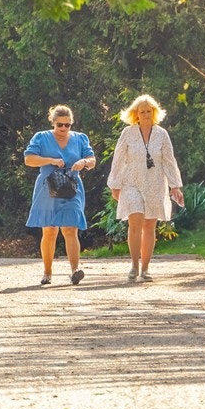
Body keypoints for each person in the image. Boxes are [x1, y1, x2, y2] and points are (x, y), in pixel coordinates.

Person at [106, 94, 184, 283]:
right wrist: (115, 185)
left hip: (155, 183)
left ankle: (146, 269)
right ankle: (134, 265)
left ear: (154, 112)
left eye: (149, 111)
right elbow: (118, 159)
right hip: (131, 181)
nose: (146, 114)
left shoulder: (162, 134)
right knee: (135, 220)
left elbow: (168, 160)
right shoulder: (128, 133)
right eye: (142, 111)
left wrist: (175, 186)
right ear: (136, 114)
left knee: (149, 226)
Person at [23, 104, 96, 285]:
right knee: (49, 231)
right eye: (60, 125)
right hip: (48, 186)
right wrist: (50, 160)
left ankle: (74, 271)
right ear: (53, 123)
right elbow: (29, 159)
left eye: (67, 125)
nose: (63, 128)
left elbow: (92, 160)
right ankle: (47, 273)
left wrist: (84, 161)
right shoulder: (41, 137)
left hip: (72, 186)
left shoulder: (80, 139)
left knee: (71, 228)